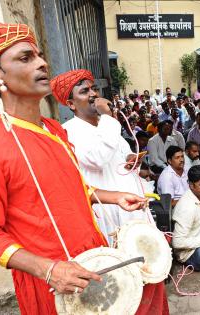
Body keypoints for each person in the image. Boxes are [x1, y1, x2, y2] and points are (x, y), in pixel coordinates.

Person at [0, 23, 168, 314]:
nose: (42, 63)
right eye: (26, 58)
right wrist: (50, 269)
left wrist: (113, 196)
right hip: (53, 280)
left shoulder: (55, 130)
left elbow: (71, 188)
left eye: (40, 56)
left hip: (95, 256)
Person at [54, 69, 152, 241]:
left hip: (130, 204)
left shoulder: (105, 124)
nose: (93, 94)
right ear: (71, 104)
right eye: (85, 91)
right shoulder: (69, 131)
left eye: (94, 89)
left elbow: (119, 152)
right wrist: (108, 116)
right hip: (106, 210)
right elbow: (98, 159)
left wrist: (130, 159)